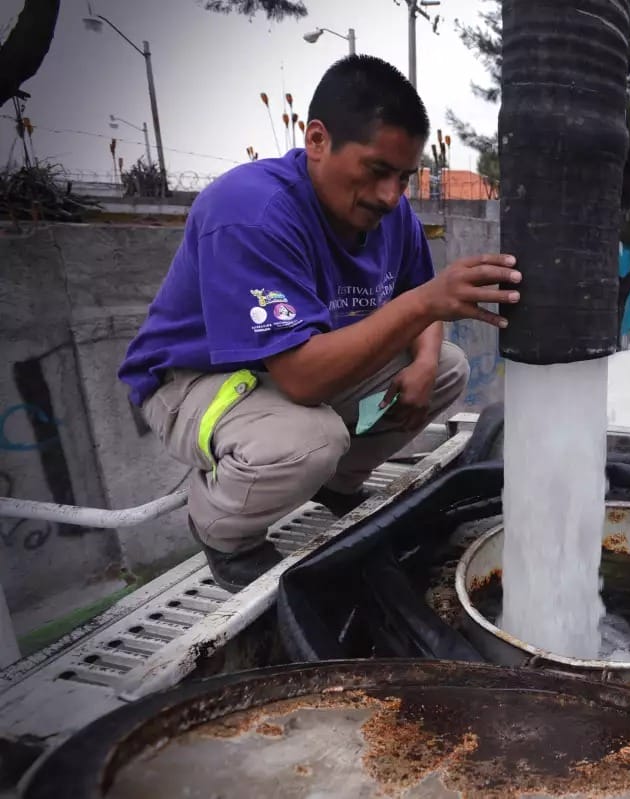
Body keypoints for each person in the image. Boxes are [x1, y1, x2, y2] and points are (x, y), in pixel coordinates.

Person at [118, 56, 521, 591]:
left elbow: (412, 297)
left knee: (444, 368)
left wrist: (422, 358)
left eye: (403, 177)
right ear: (316, 139)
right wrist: (426, 304)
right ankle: (221, 528)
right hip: (192, 379)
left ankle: (340, 485)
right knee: (310, 438)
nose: (390, 195)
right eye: (377, 170)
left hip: (285, 371)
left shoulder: (389, 216)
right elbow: (306, 379)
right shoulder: (251, 210)